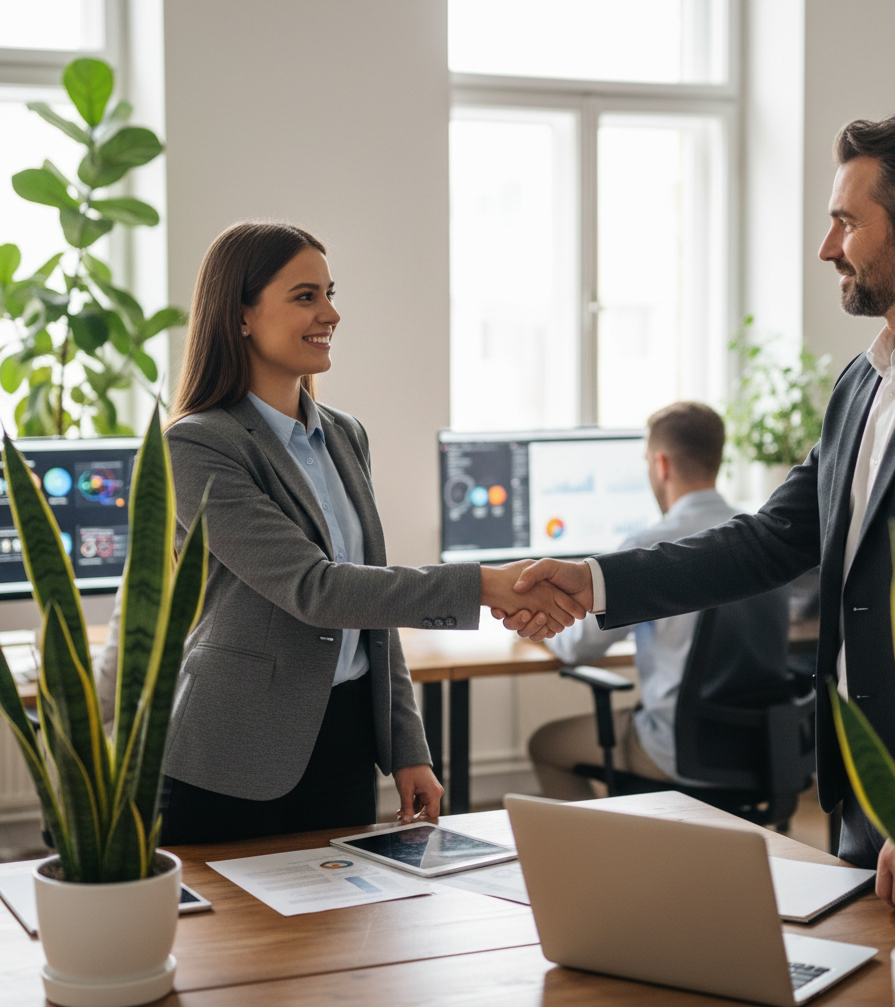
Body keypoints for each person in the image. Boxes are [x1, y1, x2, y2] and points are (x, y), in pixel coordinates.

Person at [507, 112, 895, 909]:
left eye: (846, 221)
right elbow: (770, 540)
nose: (827, 247)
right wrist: (595, 581)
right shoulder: (862, 383)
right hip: (860, 793)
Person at [156, 221, 585, 843]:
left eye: (330, 294)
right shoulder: (199, 444)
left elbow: (370, 601)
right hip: (233, 748)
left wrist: (408, 747)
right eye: (305, 296)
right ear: (241, 315)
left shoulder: (345, 434)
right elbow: (316, 589)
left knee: (346, 907)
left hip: (346, 737)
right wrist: (486, 585)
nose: (330, 313)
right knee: (230, 913)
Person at [528, 401, 793, 798]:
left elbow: (578, 647)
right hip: (763, 745)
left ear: (661, 464)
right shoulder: (762, 537)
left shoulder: (648, 547)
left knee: (545, 745)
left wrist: (536, 624)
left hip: (678, 748)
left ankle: (595, 839)